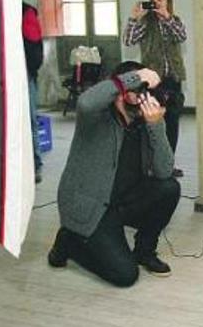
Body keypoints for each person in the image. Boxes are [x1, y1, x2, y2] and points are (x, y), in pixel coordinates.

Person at [47, 61, 181, 287]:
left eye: (142, 90)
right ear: (117, 91)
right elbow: (86, 101)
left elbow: (164, 171)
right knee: (125, 275)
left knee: (169, 188)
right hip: (93, 207)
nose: (139, 96)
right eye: (134, 89)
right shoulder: (96, 119)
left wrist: (156, 125)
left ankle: (144, 252)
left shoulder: (144, 123)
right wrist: (136, 76)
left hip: (123, 202)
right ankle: (69, 241)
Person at [122, 0, 187, 177]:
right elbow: (128, 40)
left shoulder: (174, 21)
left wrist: (167, 17)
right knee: (154, 123)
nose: (157, 2)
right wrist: (134, 18)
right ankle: (151, 164)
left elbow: (181, 35)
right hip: (153, 82)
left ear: (168, 2)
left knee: (172, 124)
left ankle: (167, 163)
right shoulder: (145, 23)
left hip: (173, 80)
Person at [22, 2, 44, 183]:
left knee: (29, 122)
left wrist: (27, 72)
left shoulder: (26, 13)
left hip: (23, 76)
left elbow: (35, 52)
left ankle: (35, 165)